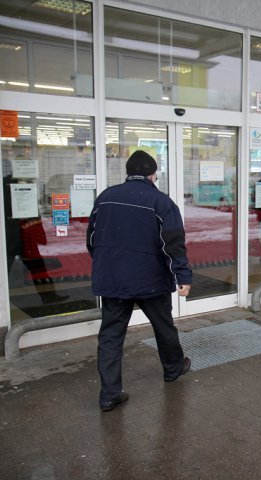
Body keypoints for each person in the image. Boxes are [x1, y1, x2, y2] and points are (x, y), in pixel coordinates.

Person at [87, 150, 192, 412]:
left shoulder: (105, 198)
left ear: (128, 172)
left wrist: (108, 263)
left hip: (113, 280)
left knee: (110, 336)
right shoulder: (160, 201)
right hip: (151, 280)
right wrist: (183, 276)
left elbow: (91, 240)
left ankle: (109, 394)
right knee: (164, 328)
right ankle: (173, 368)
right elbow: (174, 244)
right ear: (153, 174)